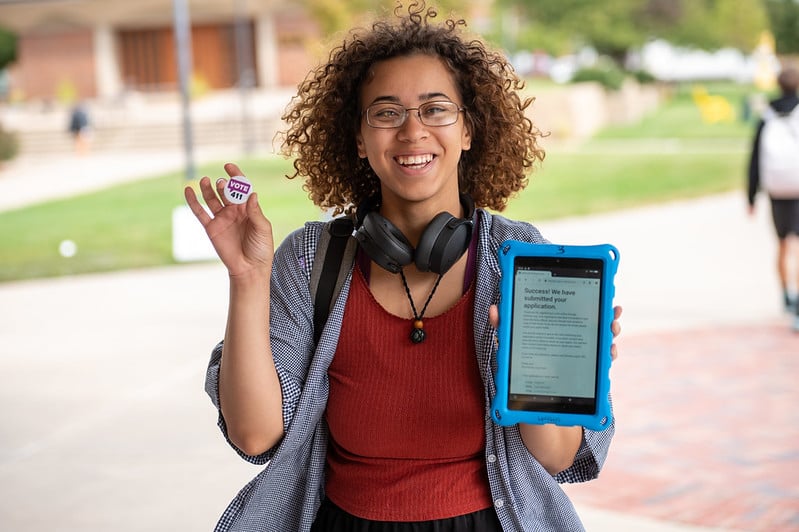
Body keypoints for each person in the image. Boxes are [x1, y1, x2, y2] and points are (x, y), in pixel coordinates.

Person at [184, 3, 622, 530]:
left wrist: (547, 372)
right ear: (360, 140)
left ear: (468, 130)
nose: (413, 131)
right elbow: (255, 435)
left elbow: (555, 457)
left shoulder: (520, 259)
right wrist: (247, 277)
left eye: (436, 109)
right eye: (387, 112)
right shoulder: (312, 259)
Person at [747, 66, 799, 331]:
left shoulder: (767, 116)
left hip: (777, 190)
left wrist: (751, 195)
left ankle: (785, 294)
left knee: (782, 245)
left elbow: (755, 159)